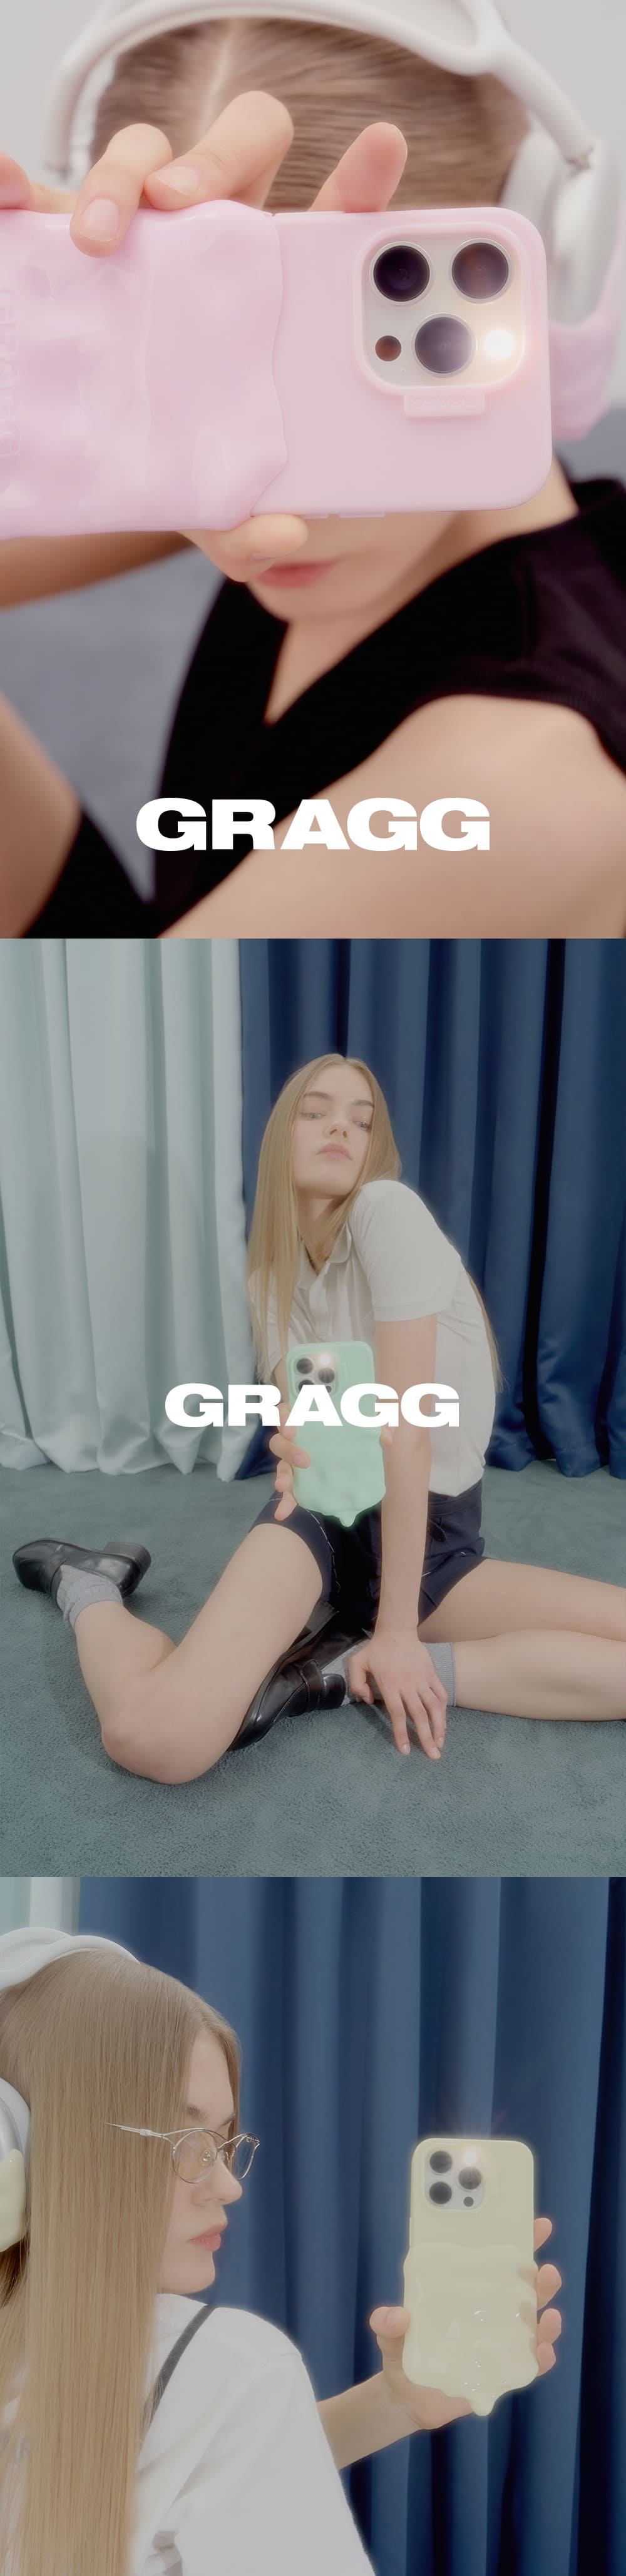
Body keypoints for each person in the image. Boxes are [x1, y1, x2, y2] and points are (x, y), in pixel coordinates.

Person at [2, 24, 626, 939]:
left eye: (338, 376)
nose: (272, 495)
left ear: (544, 275)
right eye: (200, 367)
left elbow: (141, 1045)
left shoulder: (508, 785)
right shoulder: (244, 469)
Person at [0, 1927, 561, 2576]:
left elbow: (171, 2480)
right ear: (33, 2142)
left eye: (226, 2142)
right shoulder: (232, 2371)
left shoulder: (193, 2387)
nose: (227, 2184)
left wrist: (393, 2402)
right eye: (185, 2141)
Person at [14, 1059, 626, 1766]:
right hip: (321, 1525)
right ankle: (89, 1584)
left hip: (434, 1543)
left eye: (361, 1120)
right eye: (316, 1111)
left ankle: (342, 1671)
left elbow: (405, 1432)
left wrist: (397, 1635)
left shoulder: (386, 1212)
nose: (341, 1126)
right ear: (283, 1134)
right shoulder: (271, 1278)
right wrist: (292, 1447)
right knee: (155, 1740)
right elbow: (309, 1432)